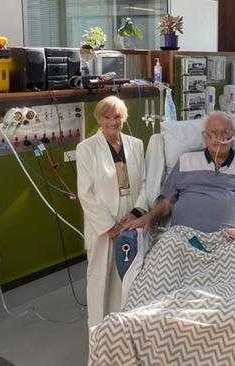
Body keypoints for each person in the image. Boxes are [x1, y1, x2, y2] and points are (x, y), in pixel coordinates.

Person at [123, 112, 235, 238]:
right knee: (163, 256)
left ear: (232, 136)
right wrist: (147, 218)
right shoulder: (186, 161)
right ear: (205, 136)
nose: (220, 137)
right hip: (184, 240)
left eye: (225, 131)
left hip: (231, 241)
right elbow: (166, 204)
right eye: (214, 132)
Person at [76, 95, 147, 328]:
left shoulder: (136, 144)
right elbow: (85, 193)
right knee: (100, 278)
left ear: (124, 118)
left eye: (117, 116)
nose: (112, 121)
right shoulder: (86, 148)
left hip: (132, 216)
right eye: (107, 117)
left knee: (128, 275)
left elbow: (145, 182)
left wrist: (138, 212)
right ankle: (98, 332)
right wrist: (109, 226)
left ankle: (124, 326)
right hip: (103, 222)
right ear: (99, 119)